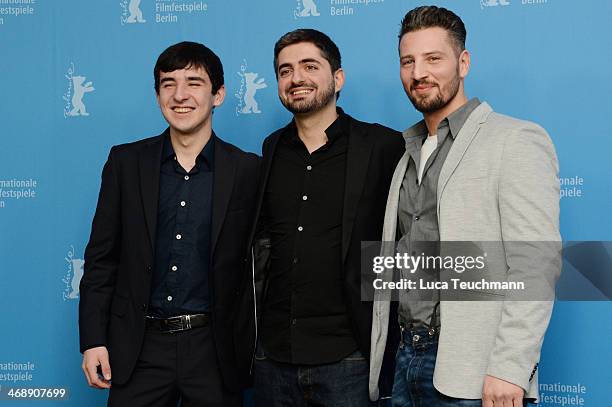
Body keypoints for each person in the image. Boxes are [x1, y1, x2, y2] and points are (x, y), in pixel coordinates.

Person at [369, 6, 561, 407]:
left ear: (463, 62)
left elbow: (535, 263)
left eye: (433, 58)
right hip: (405, 361)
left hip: (475, 369)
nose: (419, 72)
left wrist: (510, 367)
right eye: (408, 61)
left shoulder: (515, 139)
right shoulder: (406, 154)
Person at [79, 41, 260, 407]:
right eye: (168, 83)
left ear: (218, 95)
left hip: (215, 350)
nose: (180, 95)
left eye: (194, 83)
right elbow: (102, 259)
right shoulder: (126, 163)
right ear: (158, 94)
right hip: (139, 349)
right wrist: (93, 339)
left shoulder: (249, 171)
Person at [246, 29, 404, 406]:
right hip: (273, 358)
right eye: (285, 70)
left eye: (309, 66)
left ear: (338, 77)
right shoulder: (270, 150)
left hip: (349, 358)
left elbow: (405, 238)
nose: (296, 78)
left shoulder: (382, 146)